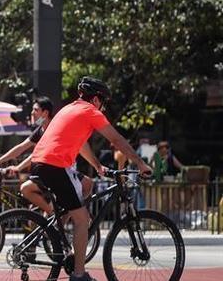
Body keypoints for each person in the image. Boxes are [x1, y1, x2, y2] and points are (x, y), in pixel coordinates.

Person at [25, 77, 153, 281]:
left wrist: (97, 166)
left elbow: (82, 145)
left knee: (85, 187)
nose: (103, 107)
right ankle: (78, 274)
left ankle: (57, 237)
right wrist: (139, 163)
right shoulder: (90, 111)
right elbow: (116, 139)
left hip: (40, 163)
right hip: (56, 165)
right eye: (103, 102)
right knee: (82, 219)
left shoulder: (68, 109)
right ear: (95, 99)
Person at [0, 95, 101, 201]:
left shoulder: (54, 127)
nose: (32, 113)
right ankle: (54, 216)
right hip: (51, 171)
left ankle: (62, 215)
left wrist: (18, 167)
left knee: (83, 188)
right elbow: (21, 148)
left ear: (45, 113)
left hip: (63, 170)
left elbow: (81, 145)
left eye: (35, 110)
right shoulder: (40, 130)